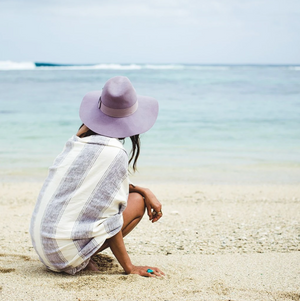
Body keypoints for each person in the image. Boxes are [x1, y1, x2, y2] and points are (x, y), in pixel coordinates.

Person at [30, 76, 164, 277]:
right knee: (137, 202)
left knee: (138, 195)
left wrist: (145, 189)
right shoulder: (115, 152)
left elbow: (96, 186)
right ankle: (81, 257)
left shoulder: (76, 142)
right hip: (63, 256)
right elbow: (110, 217)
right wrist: (130, 267)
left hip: (44, 248)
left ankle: (82, 252)